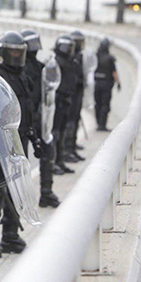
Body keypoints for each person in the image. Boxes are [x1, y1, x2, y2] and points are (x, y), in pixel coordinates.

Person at [0, 31, 38, 259]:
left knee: (17, 190)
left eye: (19, 52)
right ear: (3, 53)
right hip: (0, 144)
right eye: (12, 52)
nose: (16, 56)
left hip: (20, 142)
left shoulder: (24, 78)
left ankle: (10, 235)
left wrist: (35, 136)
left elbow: (28, 111)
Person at [21, 29, 60, 208]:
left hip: (39, 118)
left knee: (48, 151)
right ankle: (17, 206)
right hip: (21, 121)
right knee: (20, 164)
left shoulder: (40, 67)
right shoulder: (17, 69)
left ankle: (46, 192)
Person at [53, 35, 78, 175]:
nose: (70, 50)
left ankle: (60, 161)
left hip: (66, 100)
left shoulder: (69, 62)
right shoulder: (56, 62)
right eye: (68, 47)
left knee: (62, 132)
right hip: (58, 101)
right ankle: (54, 162)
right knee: (56, 132)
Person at [64, 31, 86, 163]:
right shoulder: (70, 58)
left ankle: (72, 146)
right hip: (71, 95)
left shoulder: (79, 57)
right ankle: (66, 149)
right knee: (69, 123)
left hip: (78, 94)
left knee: (75, 120)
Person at [94, 38, 120, 131]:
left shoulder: (95, 56)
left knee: (97, 104)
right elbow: (114, 72)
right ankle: (102, 125)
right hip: (106, 85)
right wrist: (118, 82)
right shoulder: (110, 58)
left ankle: (98, 123)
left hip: (96, 84)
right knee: (105, 105)